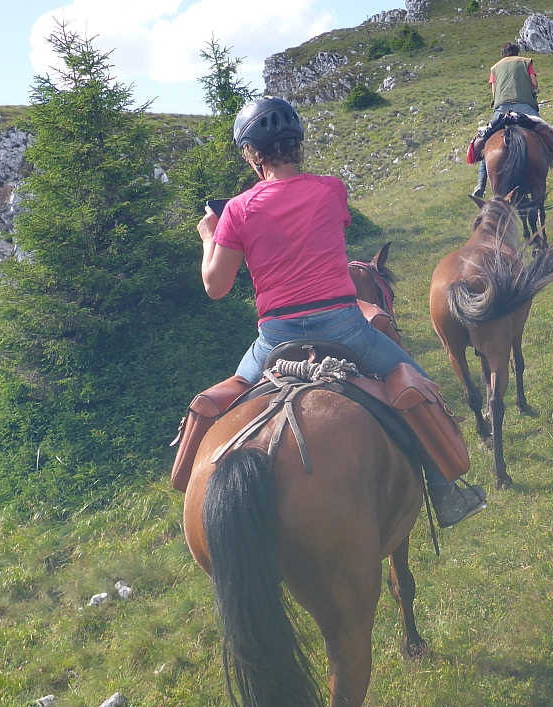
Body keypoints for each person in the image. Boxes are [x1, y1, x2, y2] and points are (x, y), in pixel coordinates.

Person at [195, 96, 487, 526]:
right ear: (297, 144)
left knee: (219, 407)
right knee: (416, 386)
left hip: (275, 339)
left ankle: (196, 499)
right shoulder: (331, 189)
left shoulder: (237, 210)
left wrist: (210, 235)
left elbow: (215, 287)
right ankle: (446, 493)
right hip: (346, 328)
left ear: (251, 155)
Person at [473, 41, 553, 199]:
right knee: (548, 133)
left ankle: (480, 183)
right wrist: (533, 91)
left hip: (501, 109)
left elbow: (494, 93)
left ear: (503, 55)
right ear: (517, 52)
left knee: (487, 141)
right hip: (525, 107)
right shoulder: (525, 62)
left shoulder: (494, 69)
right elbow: (534, 84)